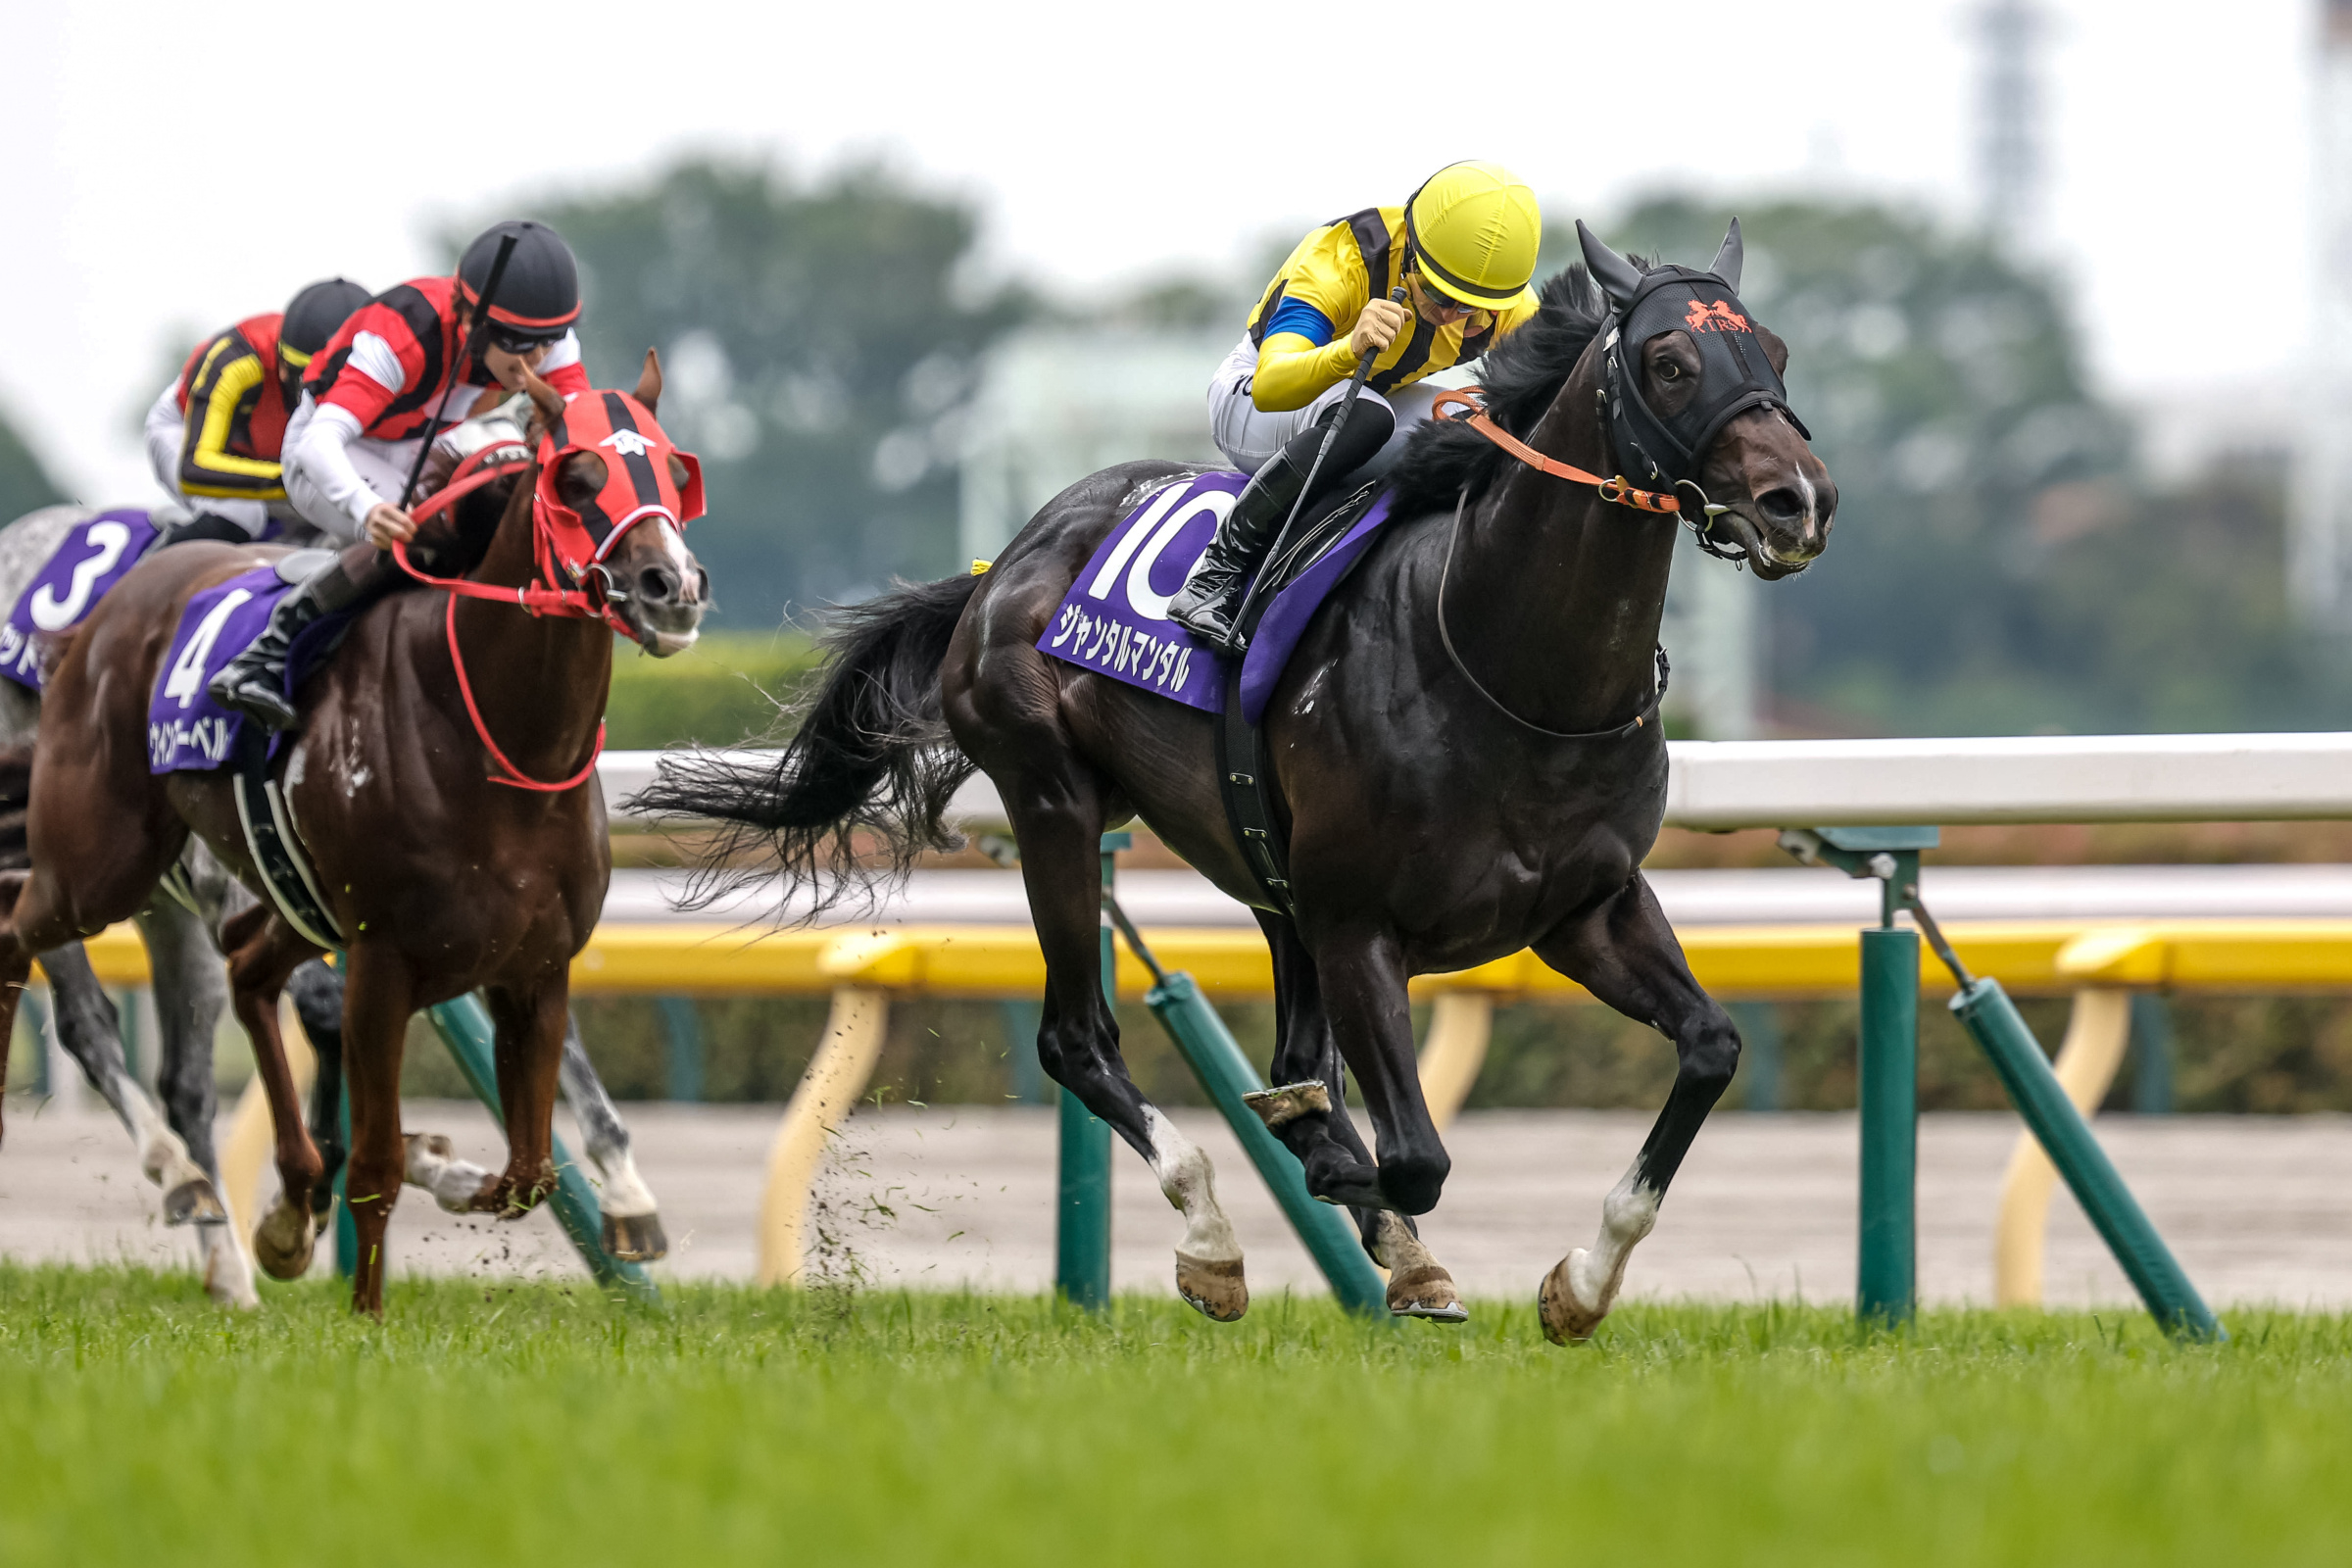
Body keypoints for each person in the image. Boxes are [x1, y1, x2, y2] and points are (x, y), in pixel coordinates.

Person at [209, 220, 589, 728]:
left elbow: (581, 432)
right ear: (473, 320)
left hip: (417, 443)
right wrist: (368, 510)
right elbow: (322, 442)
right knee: (423, 534)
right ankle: (267, 653)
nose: (539, 359)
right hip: (325, 451)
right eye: (521, 343)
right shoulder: (403, 335)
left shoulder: (545, 344)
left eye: (550, 341)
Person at [1169, 161, 1544, 652]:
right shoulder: (1343, 257)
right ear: (1410, 246)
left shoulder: (1504, 301)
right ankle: (1216, 574)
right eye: (1436, 292)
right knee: (1369, 416)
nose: (1452, 315)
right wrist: (1347, 350)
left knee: (1478, 430)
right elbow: (1271, 385)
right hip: (1255, 400)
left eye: (1469, 306)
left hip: (1369, 402)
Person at [140, 278, 371, 546]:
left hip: (273, 454)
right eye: (306, 379)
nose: (319, 395)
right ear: (282, 361)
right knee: (241, 512)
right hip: (184, 431)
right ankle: (147, 568)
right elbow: (195, 469)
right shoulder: (238, 359)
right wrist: (299, 481)